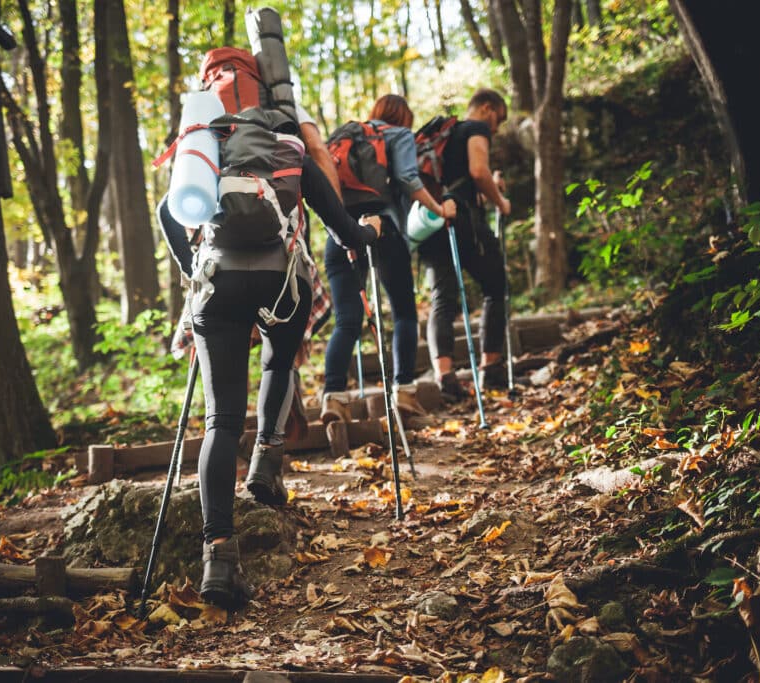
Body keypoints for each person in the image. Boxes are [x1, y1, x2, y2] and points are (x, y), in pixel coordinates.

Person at [159, 153, 381, 611]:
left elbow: (167, 210)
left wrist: (191, 265)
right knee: (279, 364)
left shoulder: (205, 152)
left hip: (216, 281)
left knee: (220, 420)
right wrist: (373, 229)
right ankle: (265, 460)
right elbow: (347, 233)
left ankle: (218, 556)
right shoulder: (289, 152)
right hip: (281, 280)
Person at [320, 94, 456, 425]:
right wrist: (440, 210)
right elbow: (409, 180)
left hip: (340, 231)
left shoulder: (342, 137)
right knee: (404, 314)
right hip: (383, 228)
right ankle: (405, 393)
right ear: (402, 116)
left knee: (346, 320)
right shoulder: (398, 135)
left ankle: (334, 398)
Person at [417, 88, 512, 400]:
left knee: (442, 297)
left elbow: (458, 180)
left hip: (431, 219)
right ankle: (491, 370)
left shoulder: (442, 136)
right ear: (487, 108)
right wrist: (499, 200)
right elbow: (477, 170)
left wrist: (485, 190)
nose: (495, 129)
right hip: (463, 222)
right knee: (495, 286)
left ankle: (446, 378)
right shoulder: (476, 128)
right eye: (497, 120)